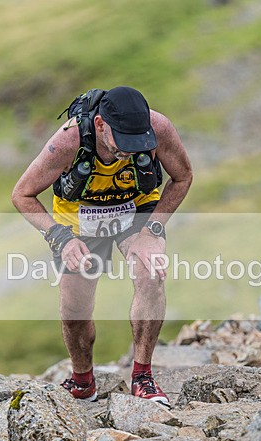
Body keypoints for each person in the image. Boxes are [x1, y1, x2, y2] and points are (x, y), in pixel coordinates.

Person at [12, 86, 193, 407]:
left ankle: (143, 377)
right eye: (122, 142)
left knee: (151, 273)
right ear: (99, 125)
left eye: (138, 144)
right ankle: (83, 381)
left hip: (136, 207)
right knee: (74, 308)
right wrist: (59, 237)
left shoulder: (160, 128)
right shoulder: (67, 141)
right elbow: (22, 195)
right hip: (78, 217)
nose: (129, 151)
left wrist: (153, 230)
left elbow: (182, 177)